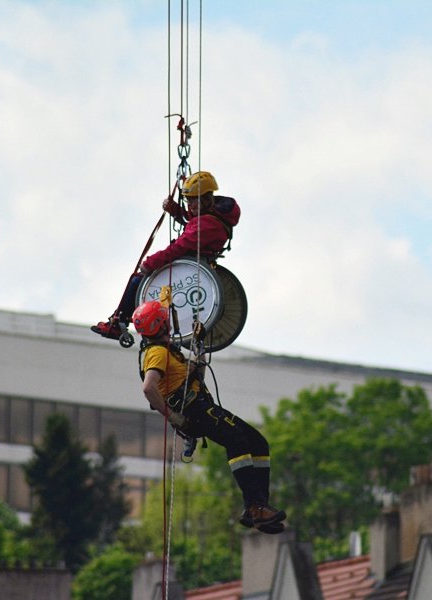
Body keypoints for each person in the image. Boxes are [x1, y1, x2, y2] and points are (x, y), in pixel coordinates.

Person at [131, 299, 286, 533]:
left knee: (257, 443)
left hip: (201, 406)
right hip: (194, 411)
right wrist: (172, 416)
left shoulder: (168, 352)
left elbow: (197, 376)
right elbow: (148, 388)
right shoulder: (157, 353)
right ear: (162, 323)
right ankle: (255, 506)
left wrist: (199, 344)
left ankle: (257, 506)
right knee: (237, 440)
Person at [92, 171, 240, 340]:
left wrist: (151, 262)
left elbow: (180, 246)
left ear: (206, 199)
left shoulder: (206, 225)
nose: (190, 205)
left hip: (190, 264)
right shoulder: (216, 213)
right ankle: (120, 320)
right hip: (195, 260)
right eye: (188, 200)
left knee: (137, 280)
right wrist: (176, 210)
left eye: (193, 200)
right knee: (139, 278)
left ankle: (118, 323)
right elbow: (192, 222)